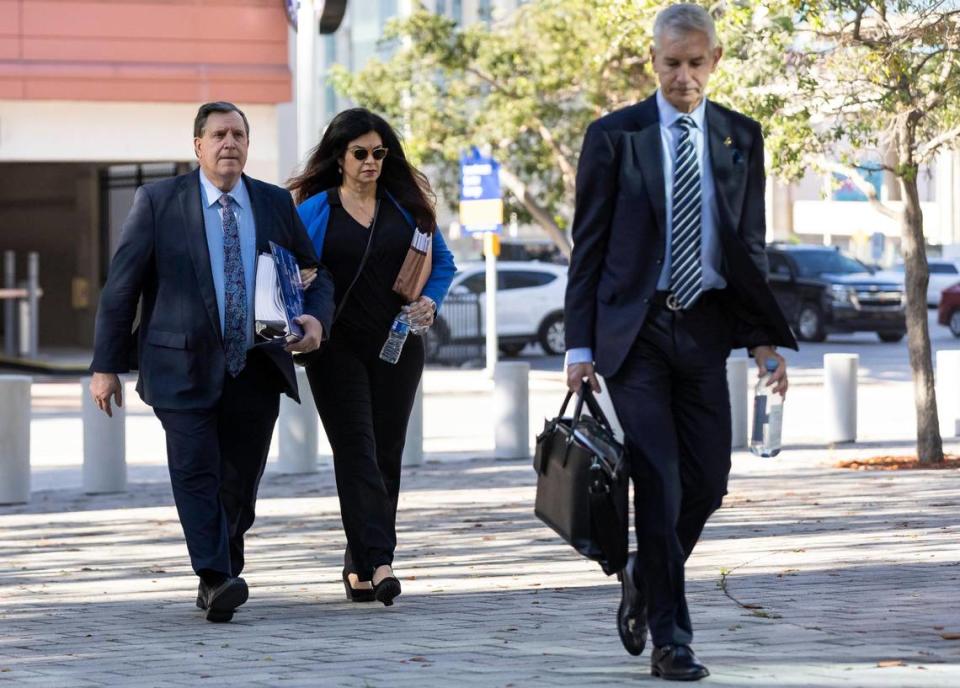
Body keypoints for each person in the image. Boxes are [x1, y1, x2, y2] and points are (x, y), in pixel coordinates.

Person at [564, 4, 797, 680]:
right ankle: (673, 639)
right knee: (658, 486)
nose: (684, 77)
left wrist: (761, 343)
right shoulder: (615, 136)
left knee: (708, 483)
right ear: (653, 61)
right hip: (633, 335)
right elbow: (590, 247)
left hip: (705, 329)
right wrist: (580, 347)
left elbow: (746, 247)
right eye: (672, 64)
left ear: (716, 60)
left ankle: (644, 571)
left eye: (696, 63)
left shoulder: (739, 137)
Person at [89, 101, 334, 623]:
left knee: (240, 483)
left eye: (239, 135)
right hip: (180, 367)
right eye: (219, 135)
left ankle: (223, 571)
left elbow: (316, 273)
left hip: (257, 365)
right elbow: (122, 287)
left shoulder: (272, 203)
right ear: (198, 146)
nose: (230, 144)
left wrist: (314, 320)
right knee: (195, 472)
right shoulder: (158, 201)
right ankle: (216, 576)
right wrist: (105, 366)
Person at [289, 108, 455, 607]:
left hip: (398, 346)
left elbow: (442, 265)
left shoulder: (407, 208)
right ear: (339, 156)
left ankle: (358, 564)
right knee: (357, 449)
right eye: (360, 153)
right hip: (334, 348)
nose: (370, 162)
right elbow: (283, 265)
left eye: (379, 153)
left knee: (385, 454)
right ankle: (382, 560)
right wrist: (296, 288)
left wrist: (431, 300)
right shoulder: (315, 210)